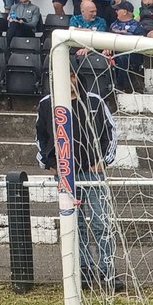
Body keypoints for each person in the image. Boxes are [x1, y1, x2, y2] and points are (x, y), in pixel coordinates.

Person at [35, 70, 121, 292]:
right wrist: (49, 163)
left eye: (71, 75)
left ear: (76, 76)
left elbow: (110, 132)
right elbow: (40, 136)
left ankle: (108, 269)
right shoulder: (46, 105)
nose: (68, 80)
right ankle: (83, 269)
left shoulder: (94, 101)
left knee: (101, 222)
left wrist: (104, 161)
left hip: (93, 173)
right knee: (76, 224)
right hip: (65, 176)